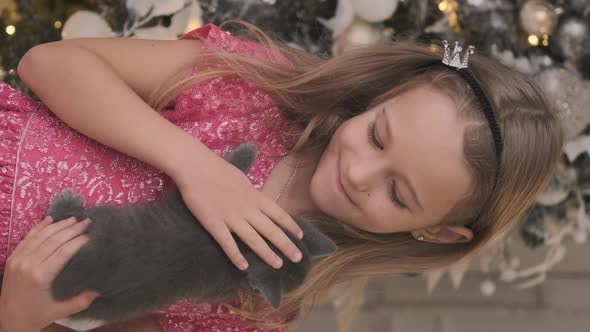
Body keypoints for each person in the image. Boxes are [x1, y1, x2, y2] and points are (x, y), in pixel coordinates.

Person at [0, 19, 563, 332]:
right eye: (376, 134)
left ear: (436, 232)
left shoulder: (264, 302)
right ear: (381, 96)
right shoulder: (260, 90)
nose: (361, 172)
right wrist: (196, 167)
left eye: (398, 193)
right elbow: (48, 63)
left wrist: (18, 316)